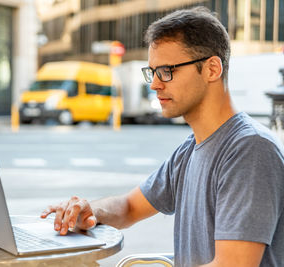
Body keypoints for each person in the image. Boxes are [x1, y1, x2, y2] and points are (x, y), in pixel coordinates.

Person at [40, 6, 284, 267]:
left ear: (212, 69)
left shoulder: (250, 151)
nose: (155, 84)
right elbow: (130, 207)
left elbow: (233, 265)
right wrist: (92, 211)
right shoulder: (191, 149)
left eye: (167, 70)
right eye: (152, 72)